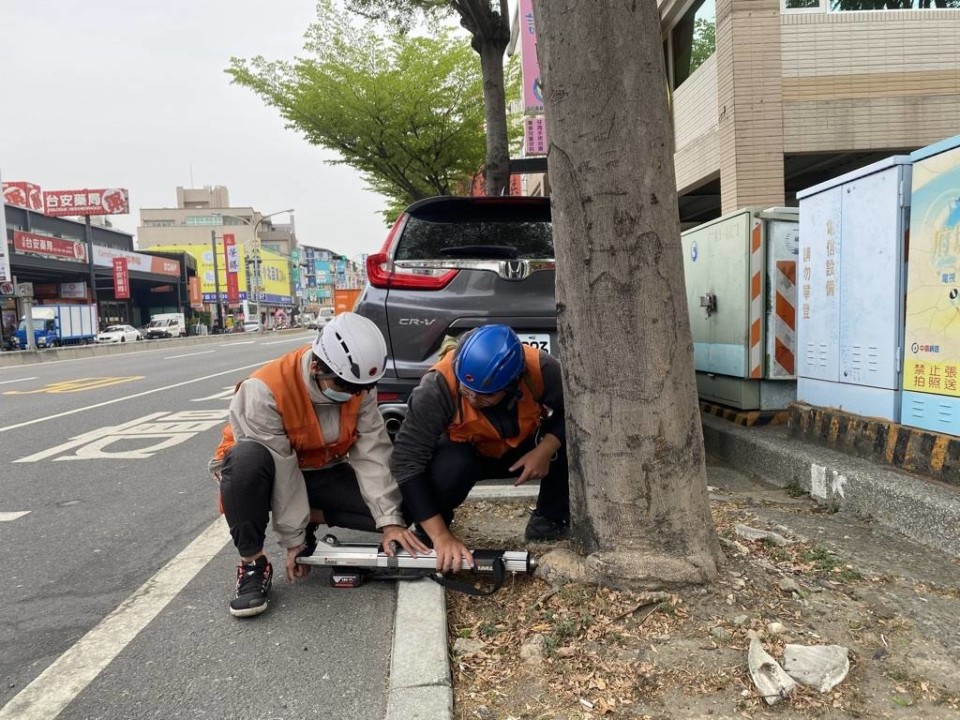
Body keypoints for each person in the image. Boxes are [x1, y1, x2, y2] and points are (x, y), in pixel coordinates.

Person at [209, 312, 428, 618]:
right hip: (266, 476)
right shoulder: (265, 389)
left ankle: (313, 514)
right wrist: (294, 541)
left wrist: (390, 521)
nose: (353, 396)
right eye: (345, 387)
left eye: (360, 389)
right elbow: (284, 473)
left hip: (320, 471)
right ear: (316, 366)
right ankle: (252, 563)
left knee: (406, 510)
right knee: (246, 461)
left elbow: (373, 453)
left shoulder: (358, 386)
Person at [390, 324, 569, 573]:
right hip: (466, 454)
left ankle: (548, 521)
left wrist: (547, 448)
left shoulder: (541, 368)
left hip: (524, 449)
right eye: (467, 390)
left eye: (485, 395)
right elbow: (405, 461)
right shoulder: (436, 386)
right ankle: (433, 524)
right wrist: (440, 535)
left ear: (512, 384)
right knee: (451, 468)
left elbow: (573, 411)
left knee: (572, 449)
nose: (473, 399)